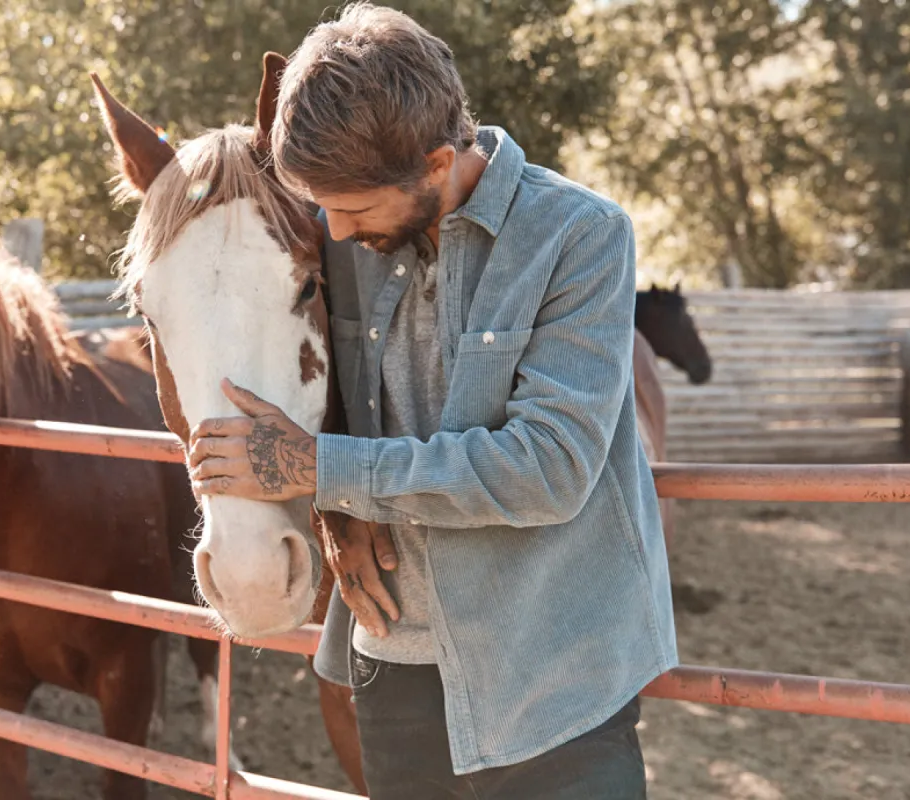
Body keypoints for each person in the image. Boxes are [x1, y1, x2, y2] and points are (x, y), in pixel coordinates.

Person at [186, 4, 677, 797]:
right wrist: (334, 511)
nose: (335, 233)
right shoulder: (346, 235)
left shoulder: (581, 237)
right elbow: (322, 390)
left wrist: (318, 470)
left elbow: (548, 469)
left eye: (351, 210)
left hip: (551, 670)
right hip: (395, 657)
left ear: (438, 161)